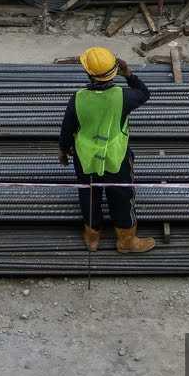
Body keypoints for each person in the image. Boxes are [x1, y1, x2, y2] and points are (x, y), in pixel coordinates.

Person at [59, 47, 155, 254]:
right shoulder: (125, 97)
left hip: (85, 158)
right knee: (121, 194)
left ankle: (92, 237)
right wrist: (128, 73)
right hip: (115, 157)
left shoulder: (78, 99)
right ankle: (126, 241)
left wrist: (63, 150)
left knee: (89, 194)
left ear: (87, 72)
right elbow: (145, 93)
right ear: (115, 70)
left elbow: (67, 128)